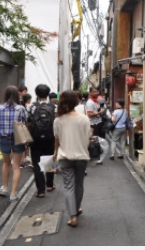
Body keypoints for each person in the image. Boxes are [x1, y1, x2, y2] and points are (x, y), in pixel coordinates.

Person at [53, 90, 91, 227]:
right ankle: (78, 206)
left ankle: (72, 216)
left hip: (65, 156)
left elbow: (57, 140)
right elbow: (88, 137)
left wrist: (56, 153)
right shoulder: (84, 119)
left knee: (69, 186)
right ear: (76, 101)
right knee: (79, 184)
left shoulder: (58, 120)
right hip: (81, 155)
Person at [0, 86, 28, 202]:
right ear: (16, 95)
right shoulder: (20, 108)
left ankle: (4, 187)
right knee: (16, 166)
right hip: (17, 139)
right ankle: (13, 194)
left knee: (6, 163)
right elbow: (26, 121)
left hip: (3, 138)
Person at [27, 84, 56, 198]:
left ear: (36, 94)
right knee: (49, 160)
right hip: (50, 138)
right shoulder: (54, 106)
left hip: (35, 139)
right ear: (48, 94)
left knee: (36, 164)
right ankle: (49, 185)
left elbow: (27, 122)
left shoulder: (30, 107)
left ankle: (40, 191)